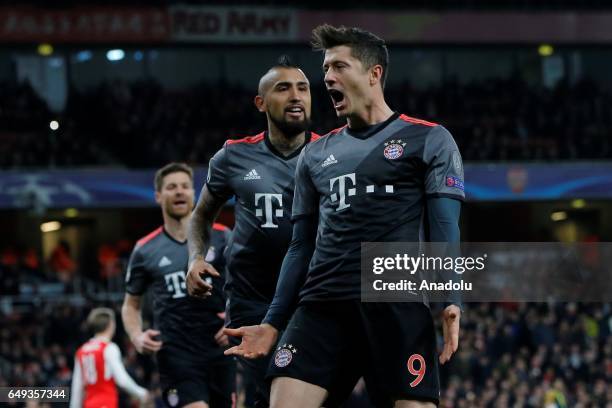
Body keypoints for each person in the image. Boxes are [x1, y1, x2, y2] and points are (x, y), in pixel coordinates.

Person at [224, 25, 464, 408]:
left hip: (394, 302)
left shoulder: (430, 139)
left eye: (339, 67)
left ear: (374, 74)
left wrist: (451, 297)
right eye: (325, 70)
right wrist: (272, 321)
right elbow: (300, 246)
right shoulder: (315, 155)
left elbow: (445, 227)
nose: (328, 78)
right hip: (322, 303)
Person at [186, 56, 318, 408]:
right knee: (269, 396)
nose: (296, 96)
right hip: (251, 302)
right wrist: (196, 257)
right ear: (261, 103)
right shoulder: (233, 155)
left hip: (312, 300)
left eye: (303, 88)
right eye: (283, 88)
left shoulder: (331, 151)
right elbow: (200, 216)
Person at [122, 163, 235, 408]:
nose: (180, 192)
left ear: (194, 194)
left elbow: (248, 284)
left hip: (221, 350)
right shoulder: (145, 249)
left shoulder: (222, 235)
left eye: (185, 186)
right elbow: (131, 304)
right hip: (176, 353)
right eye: (171, 187)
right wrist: (136, 335)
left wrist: (236, 318)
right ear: (158, 196)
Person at [70, 307, 150, 408]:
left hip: (89, 404)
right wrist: (141, 393)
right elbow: (122, 380)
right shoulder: (109, 348)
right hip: (106, 403)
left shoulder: (81, 351)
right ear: (111, 325)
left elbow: (77, 388)